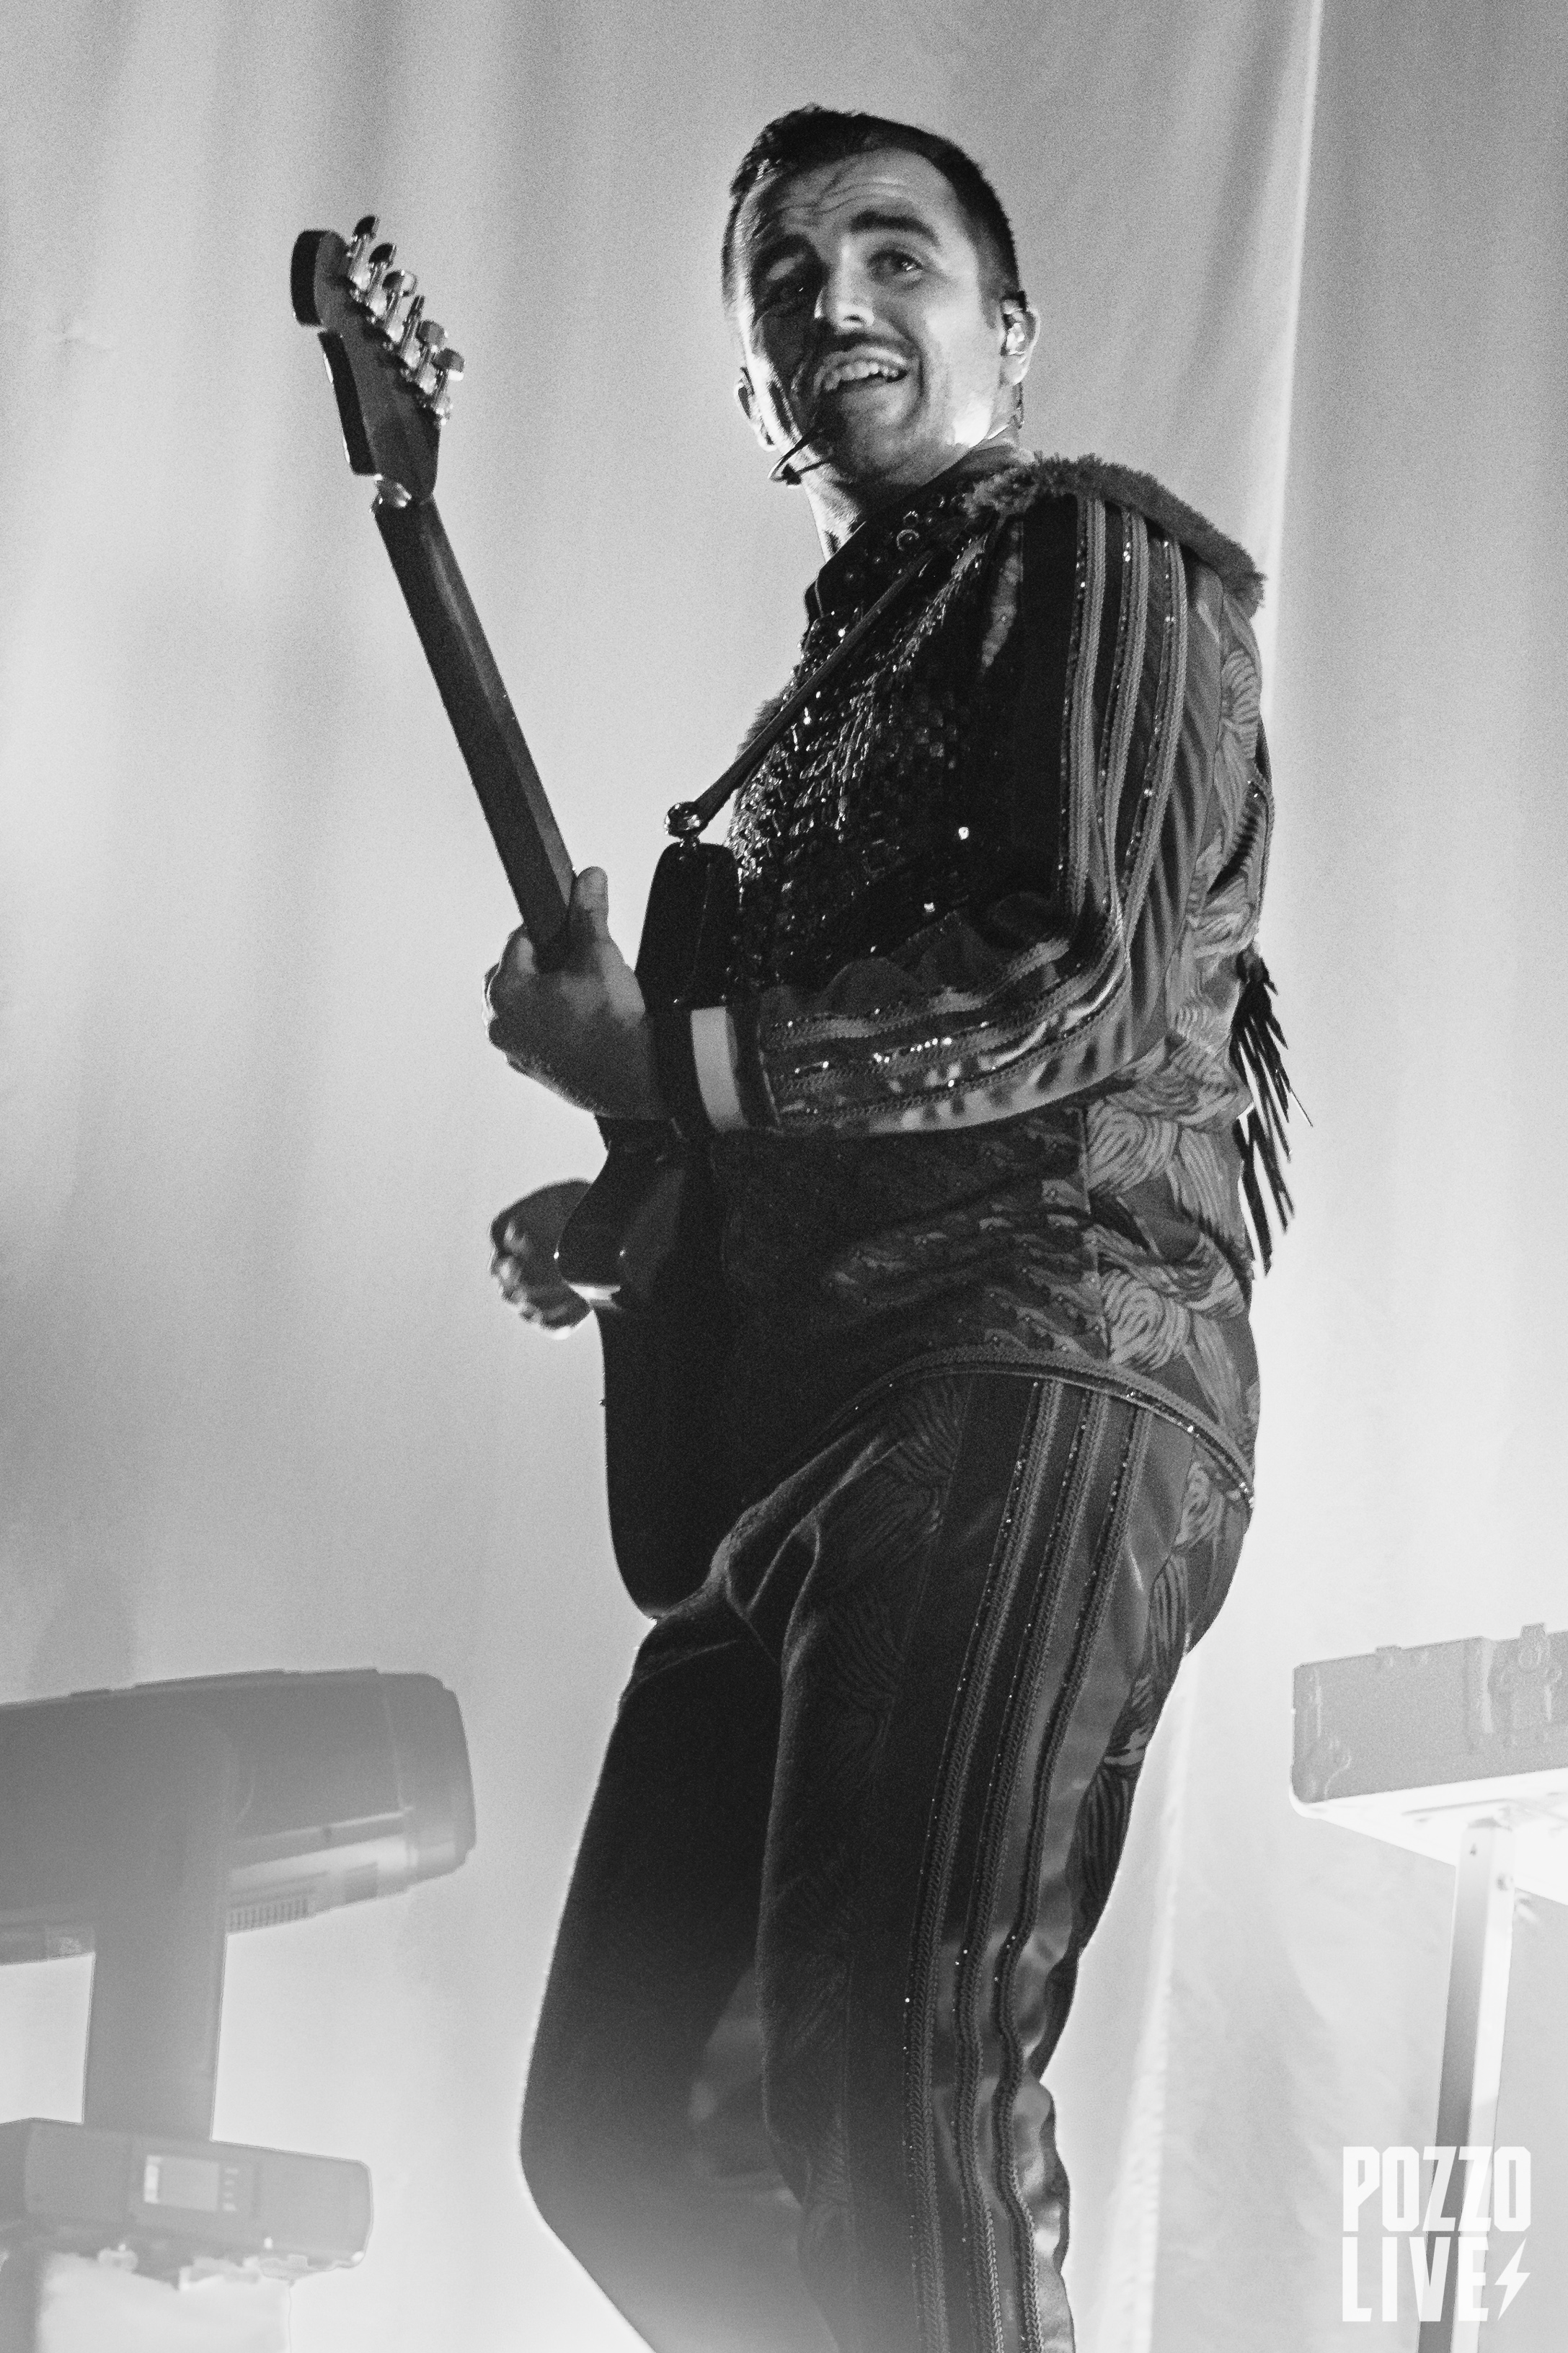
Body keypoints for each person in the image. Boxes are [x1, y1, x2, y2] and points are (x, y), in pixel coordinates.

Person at [486, 105, 1289, 2353]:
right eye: (785, 280)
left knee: (897, 2088)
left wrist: (672, 1061)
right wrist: (645, 1203)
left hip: (1034, 1374)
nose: (834, 298)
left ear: (1007, 333)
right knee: (620, 2133)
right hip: (802, 1457)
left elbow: (1076, 980)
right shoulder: (784, 759)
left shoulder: (1098, 562)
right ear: (757, 396)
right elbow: (798, 1100)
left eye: (894, 256)